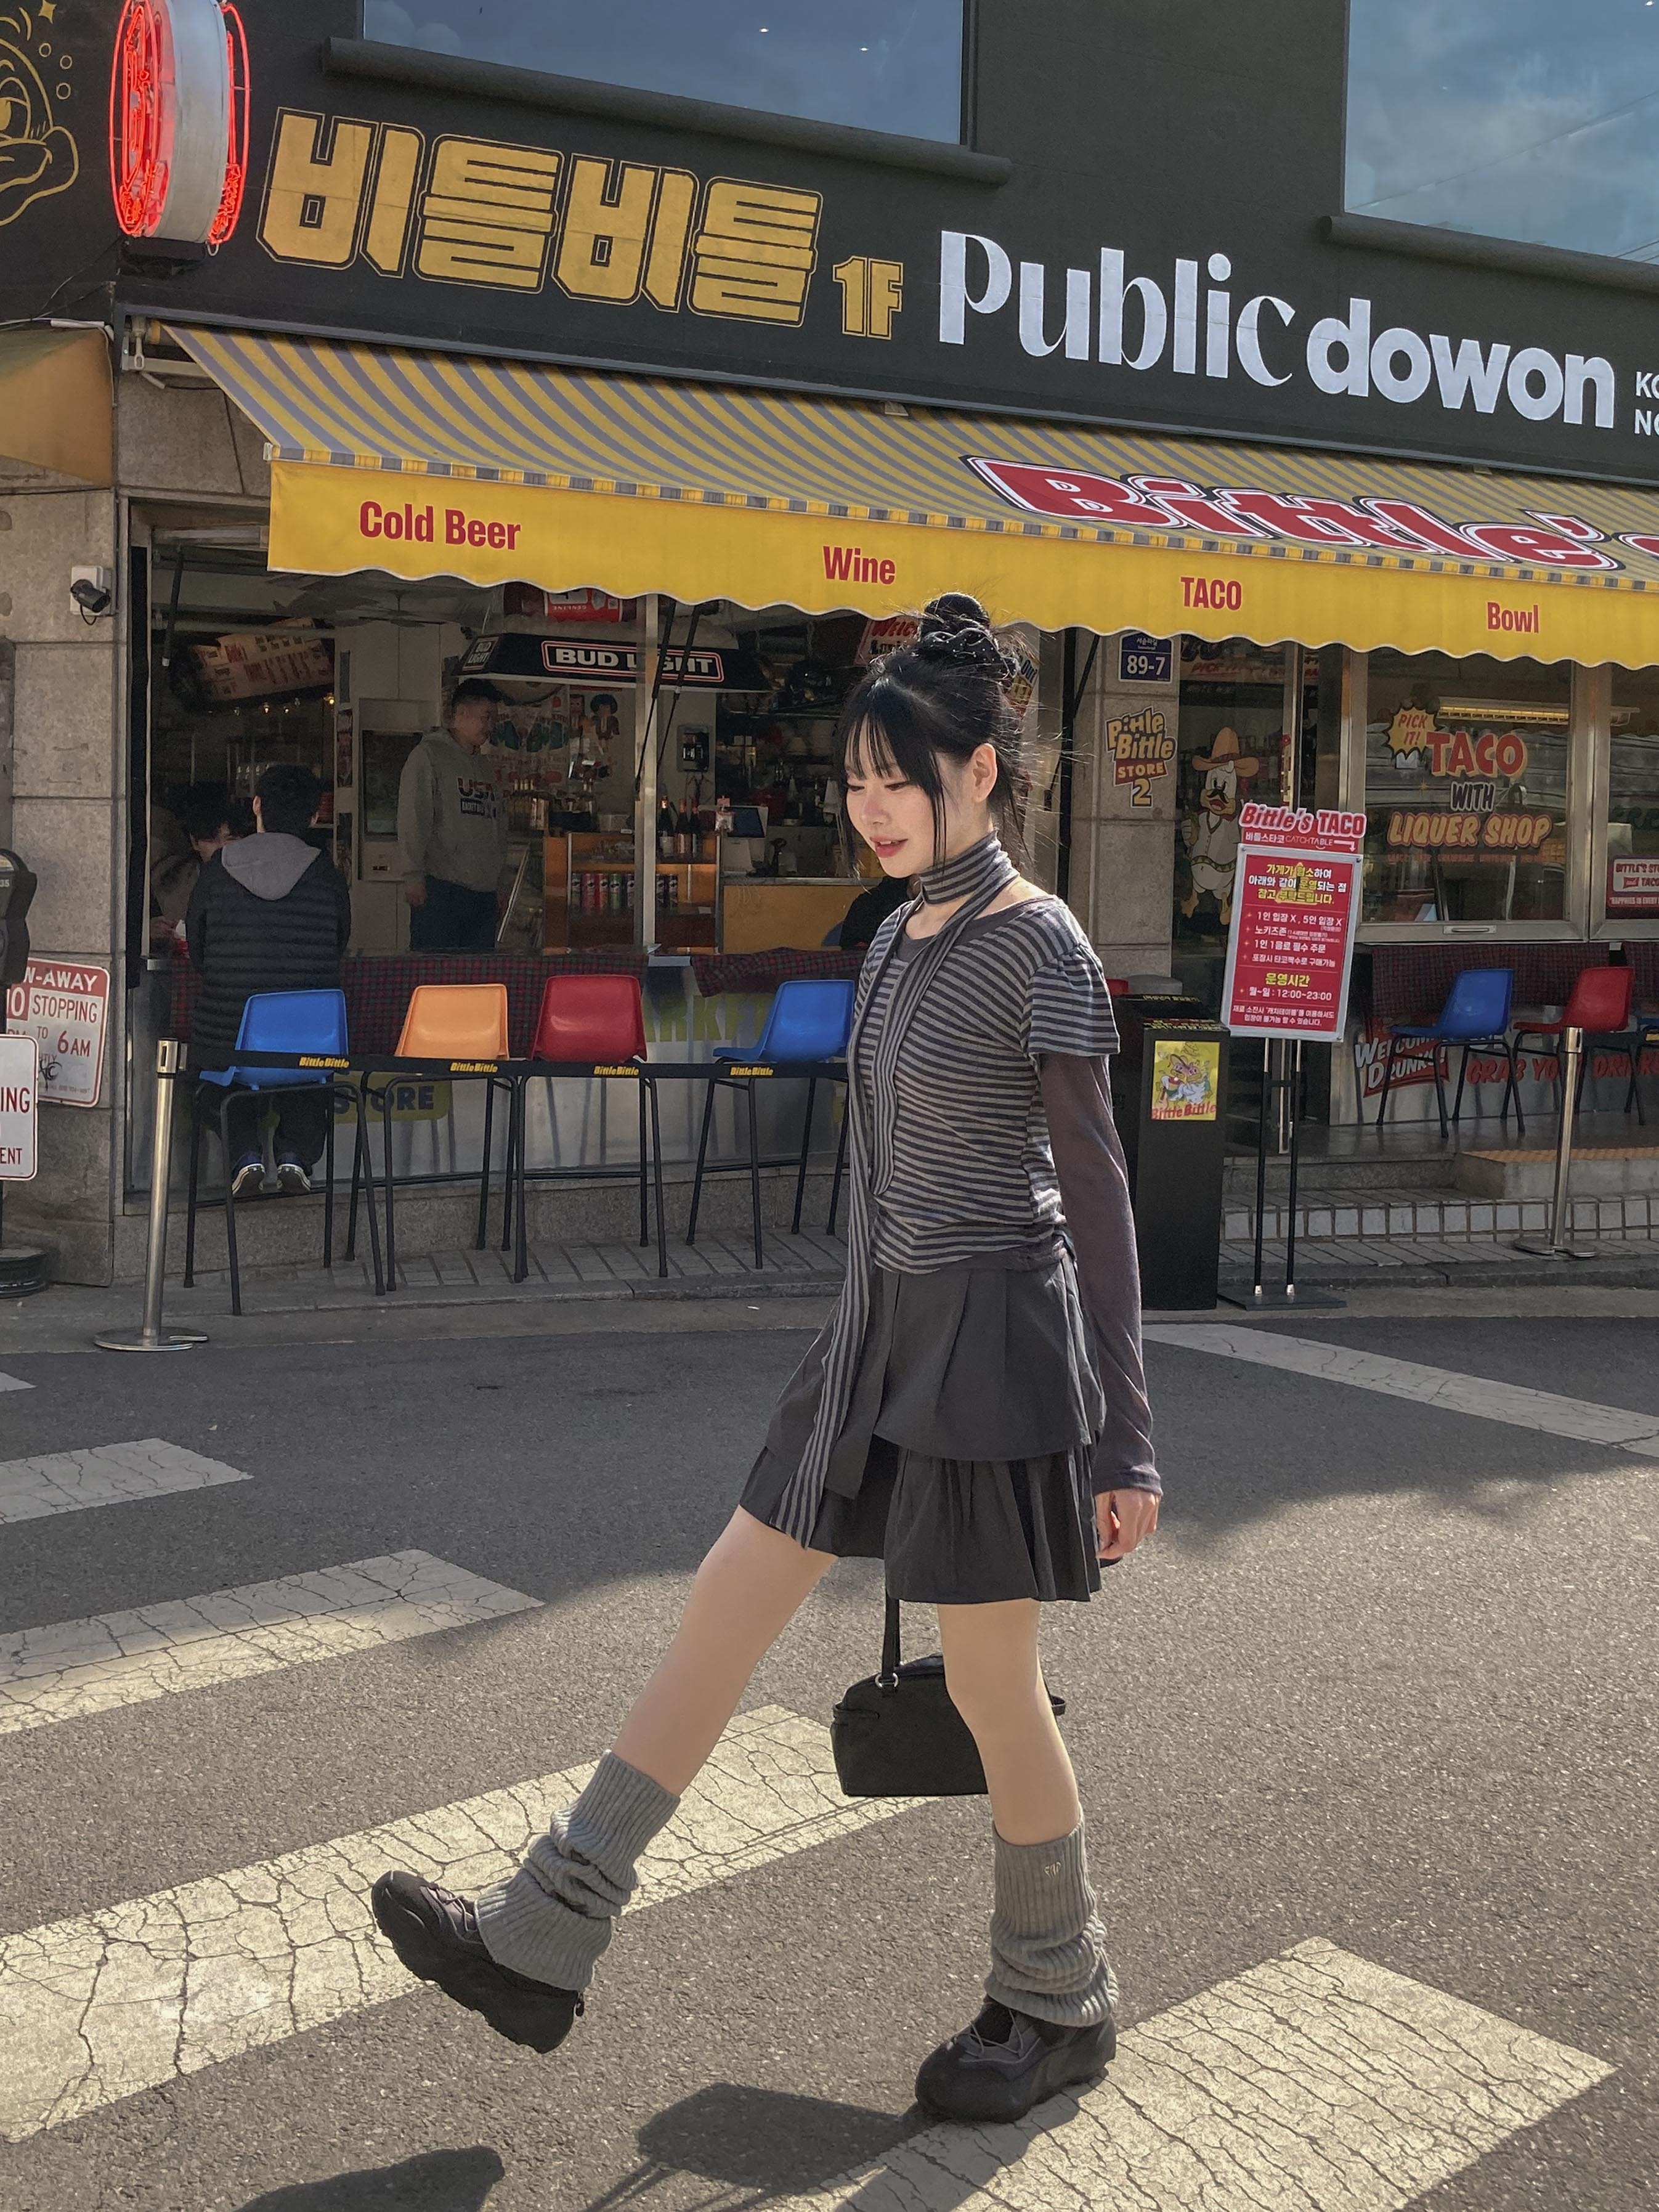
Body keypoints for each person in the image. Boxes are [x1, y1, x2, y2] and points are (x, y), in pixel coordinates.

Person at [371, 595, 1160, 2126]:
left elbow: (1099, 1190)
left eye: (898, 779)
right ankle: (543, 1930)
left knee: (993, 1686)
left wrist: (1124, 1439)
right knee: (723, 1605)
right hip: (870, 1328)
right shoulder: (894, 934)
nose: (871, 806)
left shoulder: (1037, 941)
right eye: (855, 779)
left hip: (994, 1334)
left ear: (979, 773)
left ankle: (1056, 1995)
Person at [186, 763, 351, 1199]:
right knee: (308, 1067)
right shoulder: (327, 874)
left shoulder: (217, 870)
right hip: (311, 1042)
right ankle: (295, 1153)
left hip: (233, 1040)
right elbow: (339, 943)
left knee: (214, 1072)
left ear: (257, 805)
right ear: (314, 816)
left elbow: (198, 952)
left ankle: (245, 1154)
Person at [397, 678, 509, 951]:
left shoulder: (485, 767)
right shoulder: (428, 755)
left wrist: (500, 884)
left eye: (493, 719)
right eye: (485, 717)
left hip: (484, 893)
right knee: (437, 971)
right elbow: (414, 817)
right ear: (460, 714)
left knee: (479, 973)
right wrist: (413, 875)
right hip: (442, 888)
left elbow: (498, 827)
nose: (490, 726)